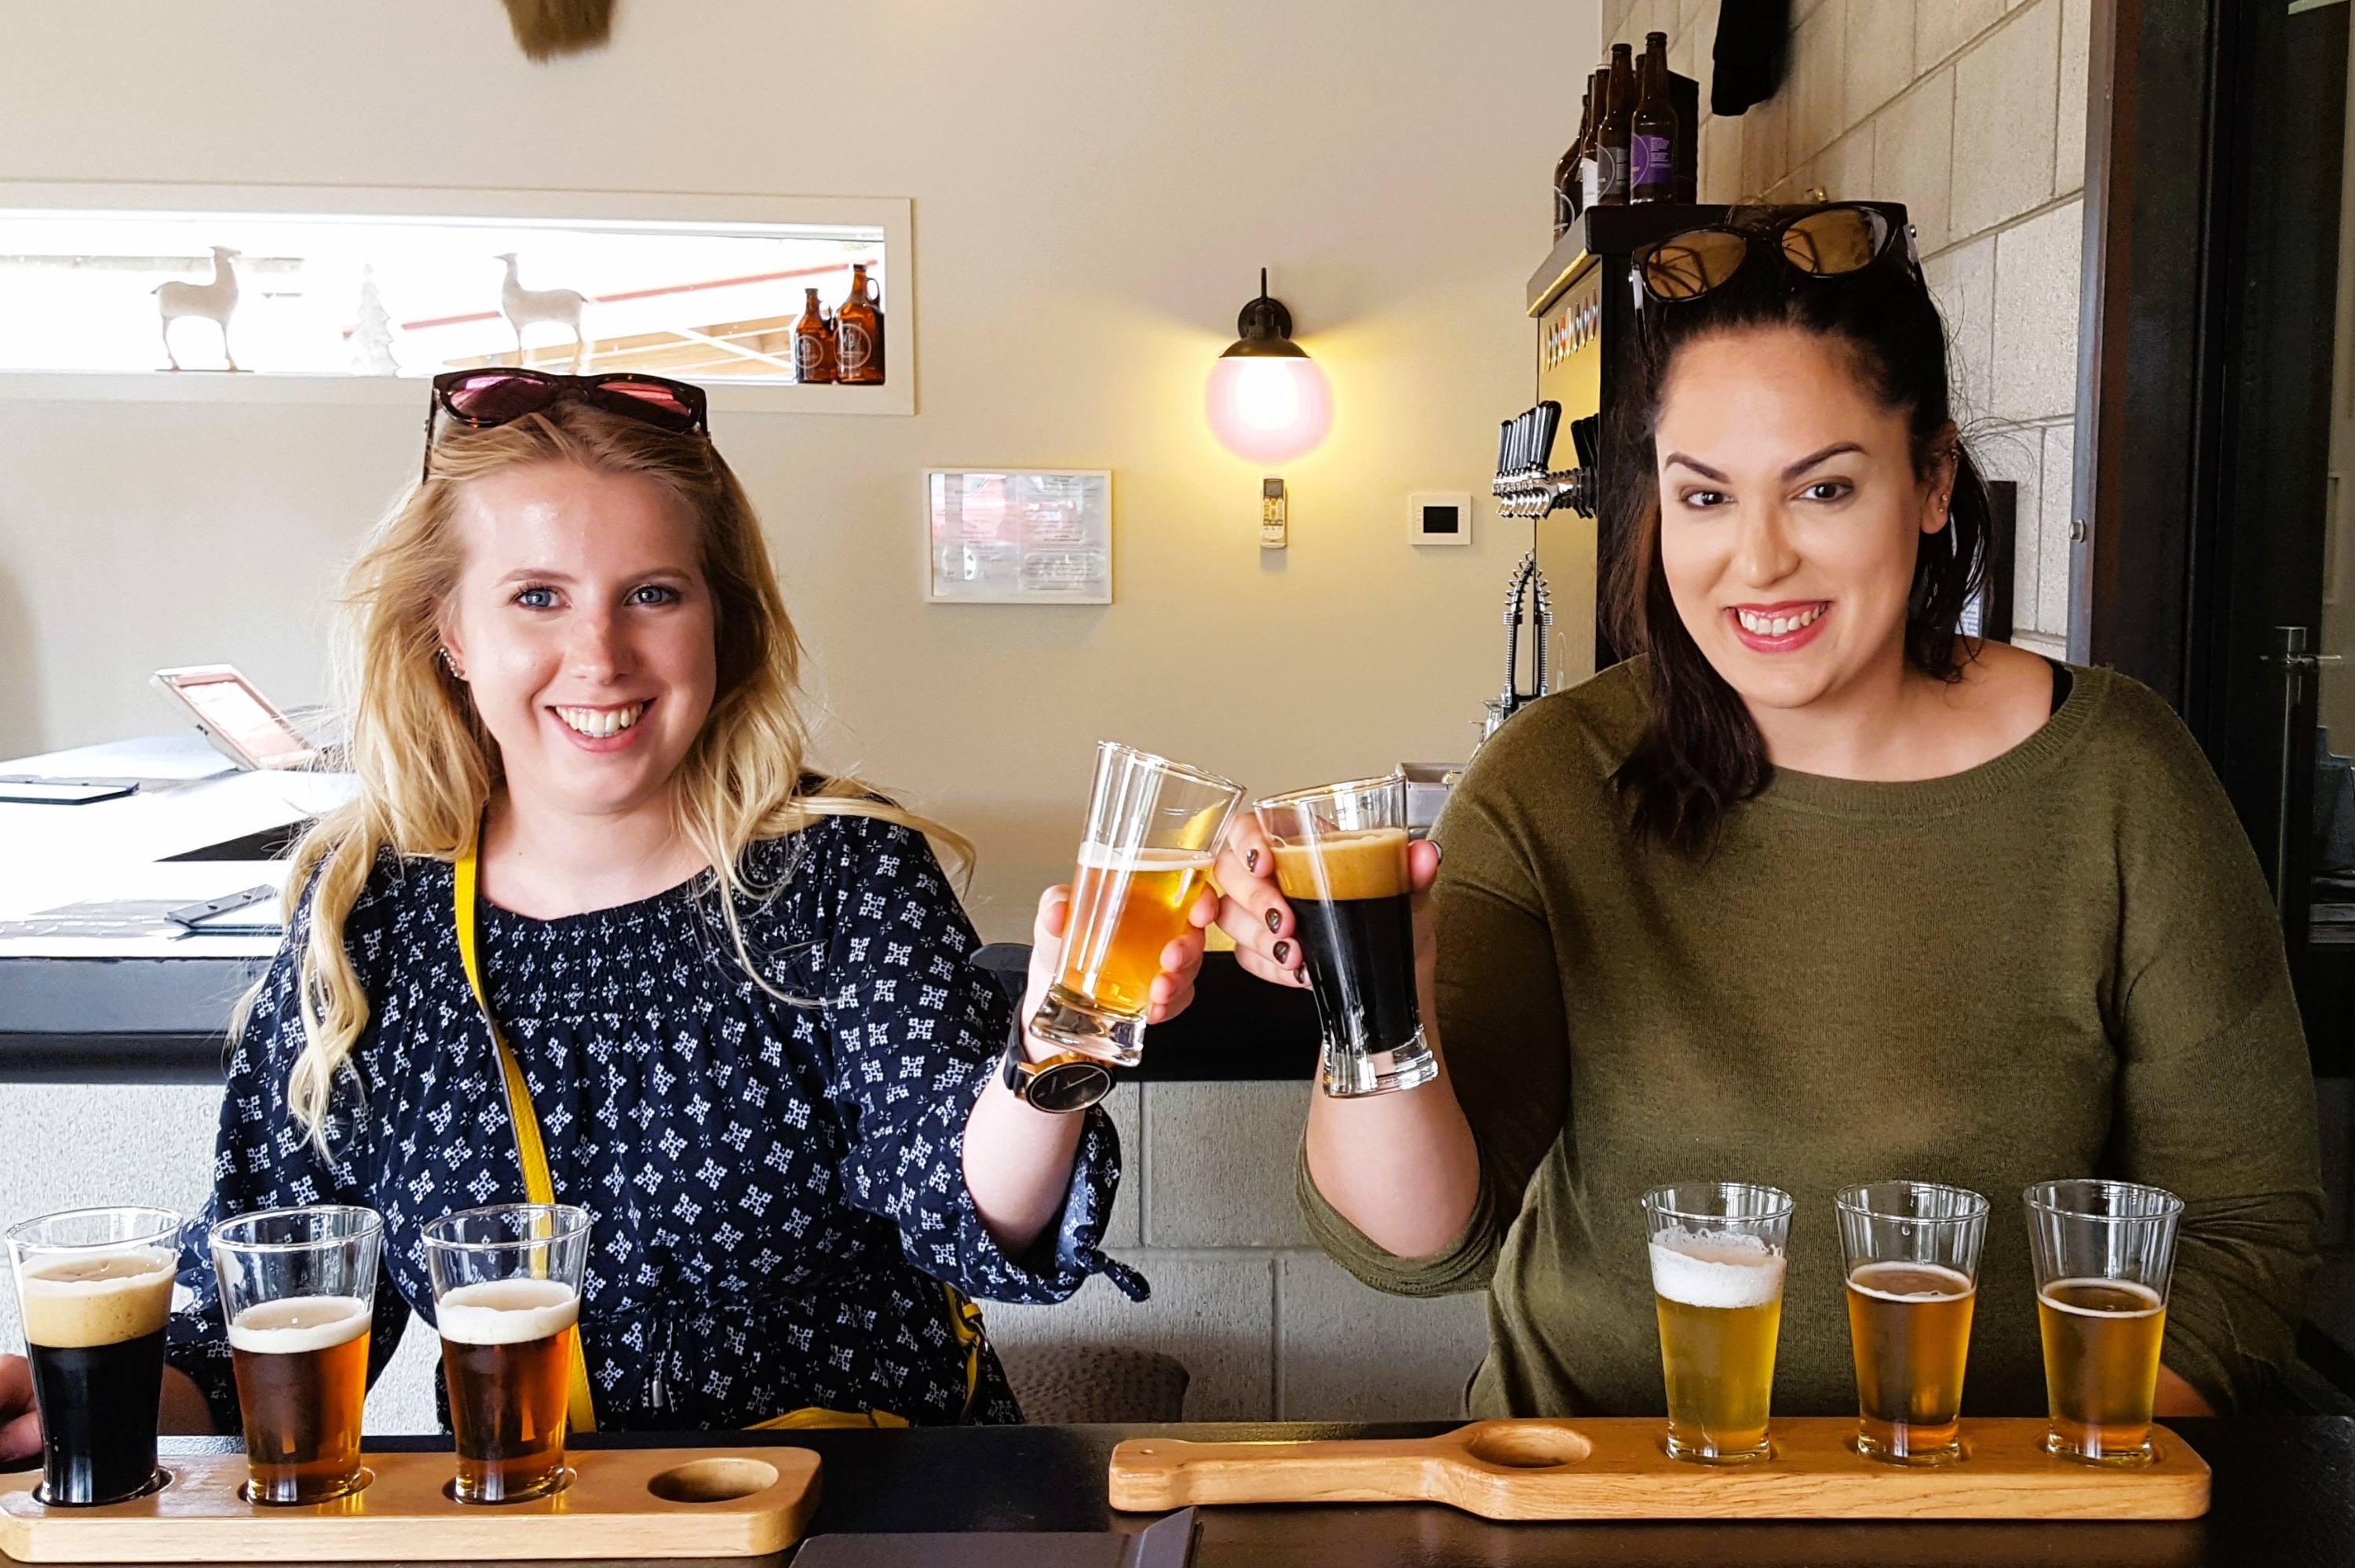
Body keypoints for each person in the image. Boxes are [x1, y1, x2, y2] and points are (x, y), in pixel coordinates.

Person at [1214, 206, 2324, 1420]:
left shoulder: (2120, 776)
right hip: (1604, 1505)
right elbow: (1420, 1245)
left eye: (1824, 488)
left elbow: (2243, 1231)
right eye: (1705, 499)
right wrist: (1384, 993)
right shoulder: (1552, 780)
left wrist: (2052, 1500)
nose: (1758, 562)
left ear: (1934, 479)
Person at [0, 370, 1201, 1461]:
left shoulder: (842, 872)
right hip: (531, 1525)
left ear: (719, 628)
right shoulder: (365, 914)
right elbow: (259, 1331)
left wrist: (1059, 1042)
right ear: (449, 632)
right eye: (536, 596)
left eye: (653, 593)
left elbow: (968, 1217)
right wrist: (72, 1406)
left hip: (860, 1517)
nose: (600, 653)